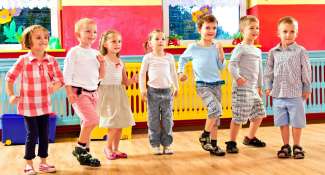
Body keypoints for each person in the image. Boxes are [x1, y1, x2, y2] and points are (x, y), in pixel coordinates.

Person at [5, 25, 63, 175]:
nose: (43, 40)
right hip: (28, 106)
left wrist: (53, 87)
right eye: (38, 37)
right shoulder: (23, 60)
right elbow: (9, 78)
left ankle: (43, 163)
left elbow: (60, 80)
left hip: (44, 105)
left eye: (45, 37)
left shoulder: (51, 60)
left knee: (44, 134)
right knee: (33, 133)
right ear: (28, 42)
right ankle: (28, 164)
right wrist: (11, 95)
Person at [177, 14, 226, 156]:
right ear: (199, 29)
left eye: (214, 28)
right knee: (215, 108)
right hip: (202, 85)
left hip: (216, 85)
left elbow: (221, 68)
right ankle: (205, 135)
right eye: (207, 27)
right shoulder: (194, 47)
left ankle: (214, 145)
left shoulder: (216, 47)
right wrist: (181, 72)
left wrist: (221, 52)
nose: (211, 30)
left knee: (216, 116)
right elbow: (182, 60)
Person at [264, 16, 311, 159]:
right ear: (279, 33)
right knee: (282, 122)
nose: (288, 35)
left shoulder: (301, 51)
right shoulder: (273, 52)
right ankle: (286, 146)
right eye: (285, 31)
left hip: (296, 94)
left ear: (296, 33)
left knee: (297, 122)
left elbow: (306, 70)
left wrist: (307, 88)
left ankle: (297, 146)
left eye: (292, 31)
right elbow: (268, 71)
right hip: (278, 94)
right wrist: (268, 86)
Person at [63, 18, 105, 167]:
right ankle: (80, 148)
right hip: (79, 92)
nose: (92, 34)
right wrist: (69, 93)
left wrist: (102, 63)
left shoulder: (95, 53)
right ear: (78, 35)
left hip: (94, 92)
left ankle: (86, 154)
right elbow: (67, 75)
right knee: (92, 120)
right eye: (87, 31)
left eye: (94, 31)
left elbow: (101, 76)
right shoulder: (74, 52)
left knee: (86, 124)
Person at [226, 15, 266, 154]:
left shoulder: (257, 50)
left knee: (259, 113)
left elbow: (260, 69)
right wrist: (237, 78)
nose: (255, 30)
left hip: (253, 89)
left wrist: (260, 86)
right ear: (243, 31)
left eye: (257, 28)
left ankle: (249, 138)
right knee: (239, 117)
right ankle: (231, 142)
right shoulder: (240, 48)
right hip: (242, 88)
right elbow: (231, 65)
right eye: (251, 28)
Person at [97, 29, 136, 160]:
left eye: (119, 41)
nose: (117, 43)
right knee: (113, 122)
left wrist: (132, 80)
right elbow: (98, 77)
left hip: (119, 93)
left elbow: (125, 82)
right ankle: (107, 147)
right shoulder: (103, 59)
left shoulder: (120, 61)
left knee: (120, 123)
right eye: (113, 41)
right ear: (105, 44)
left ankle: (116, 149)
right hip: (107, 93)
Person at [139, 29, 179, 155]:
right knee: (153, 120)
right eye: (156, 39)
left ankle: (167, 144)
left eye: (163, 39)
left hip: (167, 92)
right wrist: (143, 89)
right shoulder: (148, 58)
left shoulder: (170, 57)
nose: (160, 41)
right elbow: (141, 74)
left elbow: (173, 73)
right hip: (152, 93)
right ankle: (155, 144)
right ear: (150, 43)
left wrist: (176, 87)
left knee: (168, 120)